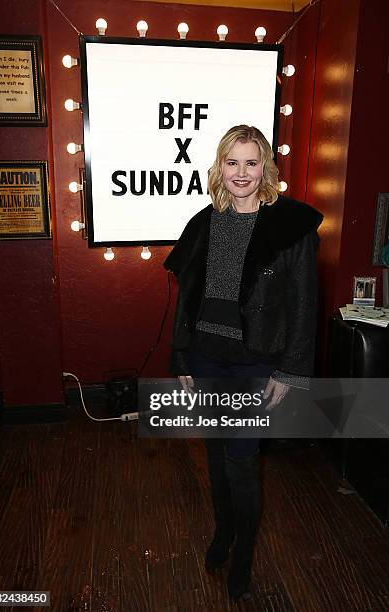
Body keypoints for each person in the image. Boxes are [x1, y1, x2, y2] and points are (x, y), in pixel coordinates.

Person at [163, 125, 323, 601]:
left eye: (251, 162)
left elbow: (303, 304)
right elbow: (186, 300)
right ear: (219, 167)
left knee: (242, 461)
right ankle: (223, 533)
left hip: (255, 365)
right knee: (216, 458)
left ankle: (245, 553)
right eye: (232, 162)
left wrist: (291, 370)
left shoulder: (291, 227)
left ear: (266, 168)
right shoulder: (203, 222)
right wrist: (181, 356)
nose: (241, 172)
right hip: (207, 357)